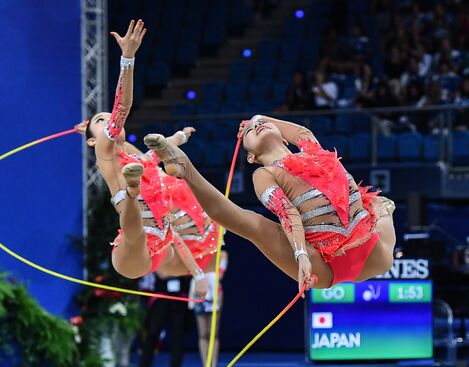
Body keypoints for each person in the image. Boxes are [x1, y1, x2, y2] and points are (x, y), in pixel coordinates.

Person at [143, 115, 396, 293]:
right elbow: (287, 213)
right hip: (324, 264)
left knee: (383, 205)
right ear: (251, 156)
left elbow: (301, 132)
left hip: (375, 252)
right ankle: (185, 168)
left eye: (264, 124)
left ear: (285, 139)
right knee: (256, 225)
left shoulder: (316, 152)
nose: (260, 126)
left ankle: (385, 210)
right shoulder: (265, 174)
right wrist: (302, 256)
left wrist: (261, 117)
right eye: (253, 130)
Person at [81, 19, 207, 295]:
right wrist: (127, 57)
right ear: (92, 140)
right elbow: (122, 107)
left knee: (190, 242)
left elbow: (157, 152)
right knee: (136, 229)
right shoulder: (105, 153)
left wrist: (179, 138)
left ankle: (201, 275)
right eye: (101, 121)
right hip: (133, 251)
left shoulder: (136, 160)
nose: (109, 121)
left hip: (162, 244)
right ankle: (131, 192)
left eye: (107, 118)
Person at [139, 274, 192, 367]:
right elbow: (162, 272)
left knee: (178, 336)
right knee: (152, 334)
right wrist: (178, 269)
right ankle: (144, 364)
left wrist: (177, 269)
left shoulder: (185, 259)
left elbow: (188, 271)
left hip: (180, 298)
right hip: (161, 298)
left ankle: (176, 365)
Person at [189, 250, 228, 367]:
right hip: (199, 292)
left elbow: (220, 275)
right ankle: (205, 363)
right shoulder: (196, 252)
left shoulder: (222, 255)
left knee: (213, 333)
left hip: (215, 292)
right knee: (202, 333)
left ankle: (213, 364)